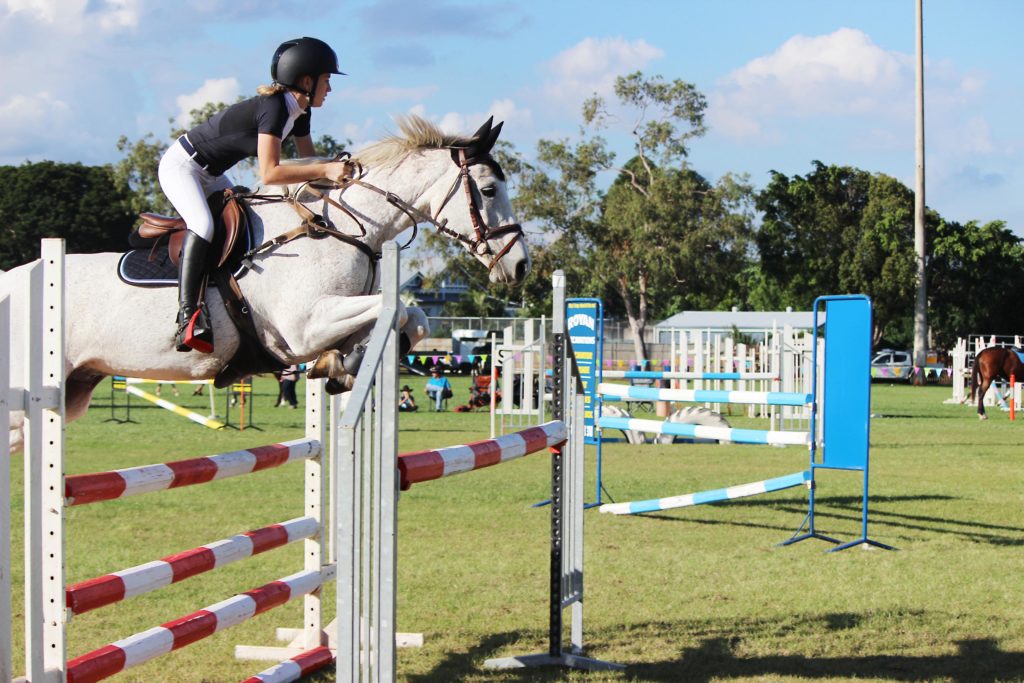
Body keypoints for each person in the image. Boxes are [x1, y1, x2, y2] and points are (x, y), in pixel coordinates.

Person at [158, 36, 354, 353]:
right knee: (204, 226)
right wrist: (324, 170)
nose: (329, 89)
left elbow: (309, 163)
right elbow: (271, 173)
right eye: (327, 80)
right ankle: (187, 317)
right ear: (307, 81)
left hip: (210, 173)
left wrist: (336, 171)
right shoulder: (274, 107)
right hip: (182, 167)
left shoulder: (301, 112)